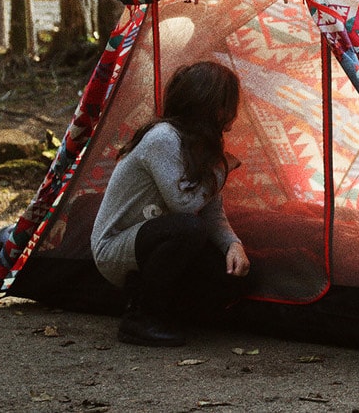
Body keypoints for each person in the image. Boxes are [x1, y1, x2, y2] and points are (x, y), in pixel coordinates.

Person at [91, 60, 250, 347]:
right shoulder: (162, 138)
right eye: (227, 106)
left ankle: (165, 308)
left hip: (155, 240)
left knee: (231, 279)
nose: (232, 117)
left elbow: (212, 211)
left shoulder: (201, 145)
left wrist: (233, 245)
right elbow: (185, 205)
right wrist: (221, 169)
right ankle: (140, 318)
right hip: (115, 248)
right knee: (188, 229)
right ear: (209, 106)